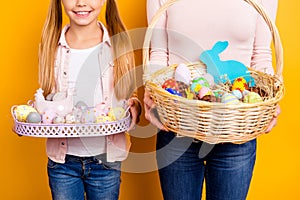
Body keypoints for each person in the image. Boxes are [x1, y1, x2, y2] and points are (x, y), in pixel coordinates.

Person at [144, 0, 280, 199]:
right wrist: (152, 90)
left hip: (236, 129)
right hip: (177, 124)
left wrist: (269, 99)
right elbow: (158, 53)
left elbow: (261, 56)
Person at [38, 0, 141, 199]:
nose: (81, 3)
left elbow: (130, 95)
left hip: (106, 161)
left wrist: (134, 108)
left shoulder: (119, 43)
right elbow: (49, 99)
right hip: (63, 163)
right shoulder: (51, 46)